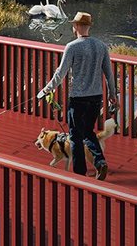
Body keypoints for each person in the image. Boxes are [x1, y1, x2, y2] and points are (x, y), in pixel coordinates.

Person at [38, 12, 117, 180]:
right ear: (88, 26)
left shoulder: (72, 47)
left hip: (79, 99)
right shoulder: (102, 46)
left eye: (74, 25)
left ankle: (79, 174)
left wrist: (46, 90)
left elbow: (60, 73)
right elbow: (109, 74)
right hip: (96, 98)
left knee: (75, 135)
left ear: (77, 27)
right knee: (88, 131)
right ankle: (100, 162)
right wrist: (113, 94)